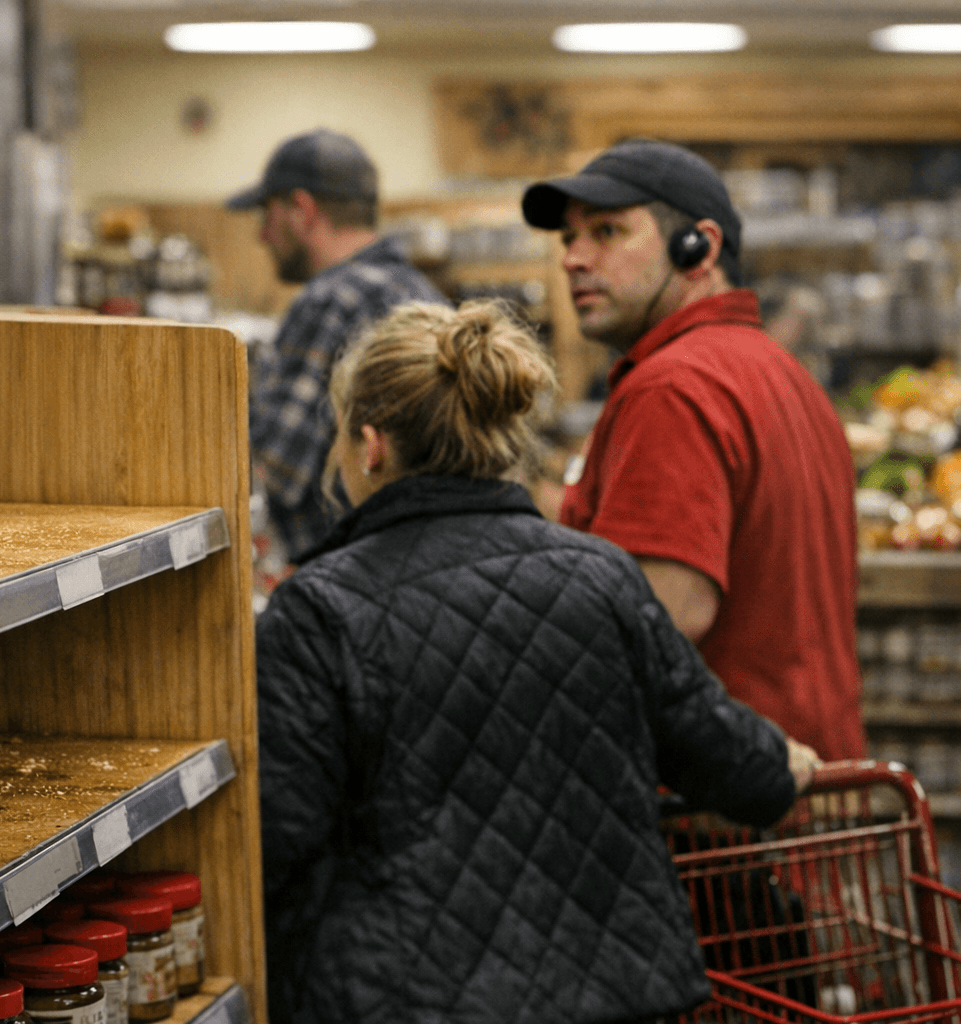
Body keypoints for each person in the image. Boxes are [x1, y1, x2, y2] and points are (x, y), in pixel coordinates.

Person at [257, 300, 816, 1024]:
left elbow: (276, 841)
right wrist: (779, 764)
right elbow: (708, 747)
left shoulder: (317, 612)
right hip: (615, 991)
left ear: (370, 446)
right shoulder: (603, 576)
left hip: (405, 998)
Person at [520, 139, 864, 762]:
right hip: (817, 791)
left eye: (607, 231)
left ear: (697, 248)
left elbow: (667, 614)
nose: (573, 258)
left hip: (726, 817)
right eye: (569, 239)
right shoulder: (783, 374)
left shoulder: (674, 386)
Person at [229, 128, 445, 559]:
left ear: (302, 211)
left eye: (266, 214)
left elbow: (276, 470)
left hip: (349, 568)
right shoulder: (423, 292)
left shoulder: (329, 301)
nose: (262, 235)